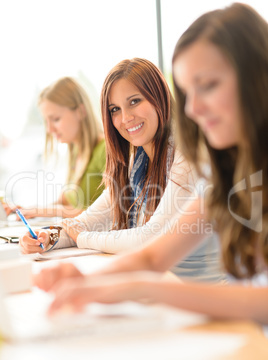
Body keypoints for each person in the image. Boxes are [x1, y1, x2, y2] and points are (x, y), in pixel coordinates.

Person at [32, 3, 268, 325]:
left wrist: (144, 287)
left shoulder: (190, 157)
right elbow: (154, 255)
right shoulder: (222, 170)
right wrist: (83, 281)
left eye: (209, 85)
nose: (193, 109)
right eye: (188, 92)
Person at [20, 58, 225, 283]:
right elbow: (86, 221)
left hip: (201, 297)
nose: (126, 118)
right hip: (159, 291)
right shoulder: (136, 163)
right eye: (115, 109)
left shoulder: (188, 155)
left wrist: (85, 238)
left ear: (160, 97)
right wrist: (48, 236)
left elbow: (149, 238)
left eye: (135, 101)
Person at [6, 77, 106, 218]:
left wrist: (40, 211)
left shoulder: (104, 150)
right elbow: (65, 203)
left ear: (81, 111)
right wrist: (28, 211)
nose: (49, 129)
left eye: (56, 119)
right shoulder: (75, 150)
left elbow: (109, 215)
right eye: (46, 121)